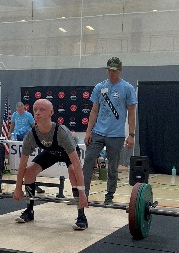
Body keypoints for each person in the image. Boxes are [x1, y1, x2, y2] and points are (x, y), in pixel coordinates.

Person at [13, 99, 89, 230]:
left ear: (51, 113)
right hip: (51, 153)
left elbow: (76, 165)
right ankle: (29, 211)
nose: (37, 113)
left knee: (72, 173)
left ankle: (81, 216)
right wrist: (18, 187)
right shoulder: (31, 135)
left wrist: (82, 193)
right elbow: (22, 164)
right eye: (35, 110)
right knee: (29, 171)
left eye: (42, 110)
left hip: (67, 154)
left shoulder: (61, 132)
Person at [83, 57, 138, 203]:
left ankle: (109, 196)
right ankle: (84, 193)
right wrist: (88, 131)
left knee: (113, 167)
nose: (111, 73)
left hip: (116, 135)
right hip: (98, 132)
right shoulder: (99, 87)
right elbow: (94, 111)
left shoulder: (127, 88)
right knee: (88, 161)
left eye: (114, 70)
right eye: (109, 70)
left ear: (120, 69)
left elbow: (132, 113)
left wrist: (131, 135)